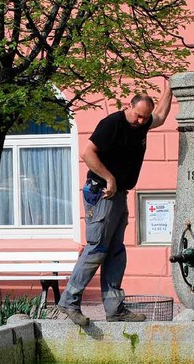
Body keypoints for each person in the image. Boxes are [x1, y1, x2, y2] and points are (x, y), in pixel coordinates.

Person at [58, 84, 173, 326]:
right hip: (102, 193)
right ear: (128, 106)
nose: (141, 121)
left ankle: (114, 309)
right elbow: (87, 153)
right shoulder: (113, 124)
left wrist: (170, 87)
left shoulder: (141, 125)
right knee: (97, 249)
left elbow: (160, 117)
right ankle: (69, 300)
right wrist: (109, 177)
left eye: (144, 117)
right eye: (137, 114)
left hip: (118, 195)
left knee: (115, 252)